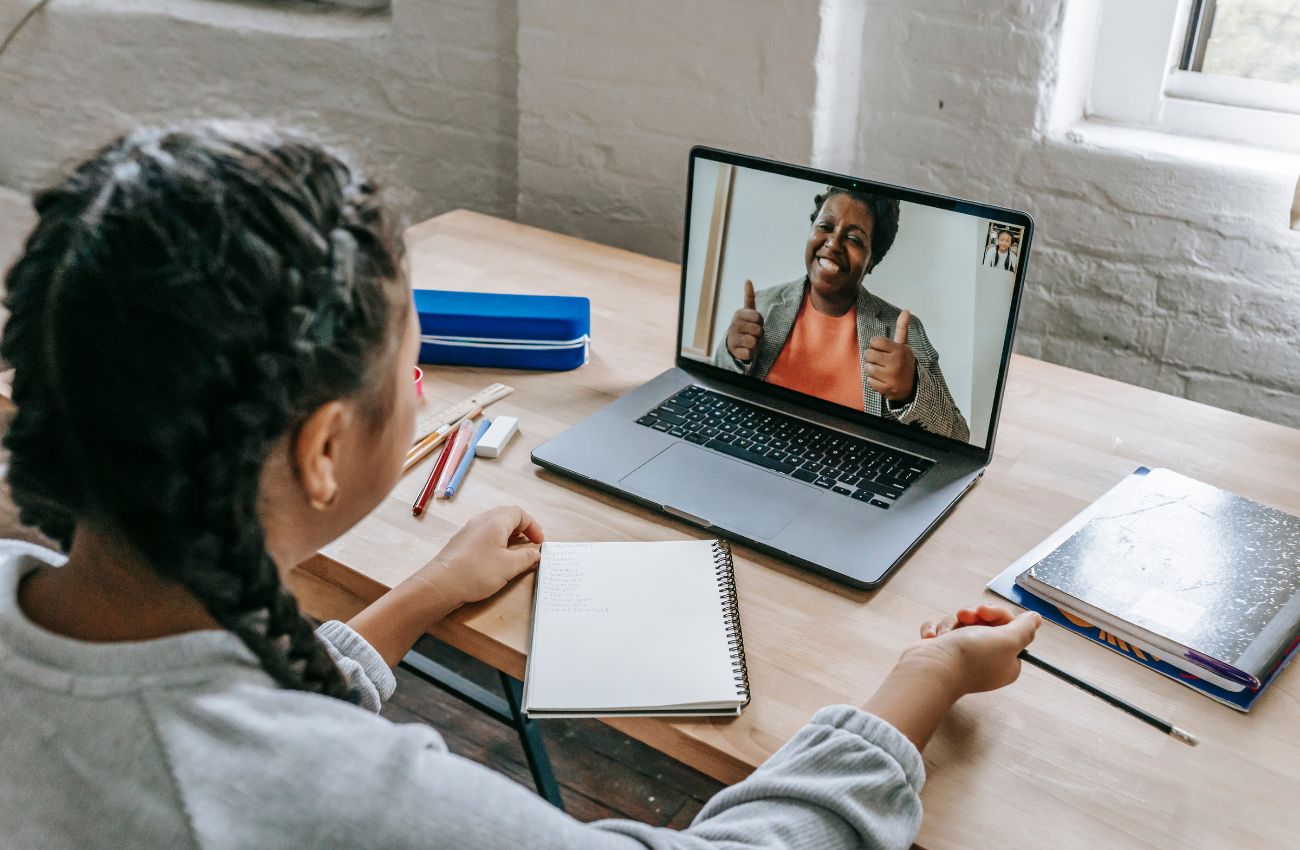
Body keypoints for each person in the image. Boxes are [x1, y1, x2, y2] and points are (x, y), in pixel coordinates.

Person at [0, 123, 1040, 849]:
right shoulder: (346, 798)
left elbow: (210, 694)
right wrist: (923, 680)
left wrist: (414, 599)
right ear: (322, 449)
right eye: (412, 357)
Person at [712, 187, 970, 443]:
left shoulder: (902, 331)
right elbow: (718, 403)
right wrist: (730, 354)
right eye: (825, 226)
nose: (833, 243)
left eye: (855, 240)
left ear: (871, 262)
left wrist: (911, 390)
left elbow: (959, 438)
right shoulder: (763, 306)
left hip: (849, 476)